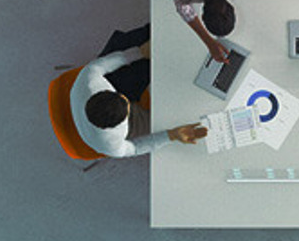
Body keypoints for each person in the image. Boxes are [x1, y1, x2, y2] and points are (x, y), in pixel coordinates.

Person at [69, 41, 206, 158]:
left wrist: (139, 52)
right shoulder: (110, 145)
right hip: (129, 125)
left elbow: (101, 65)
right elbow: (135, 148)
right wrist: (172, 135)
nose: (127, 100)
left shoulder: (88, 80)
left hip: (105, 113)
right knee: (170, 120)